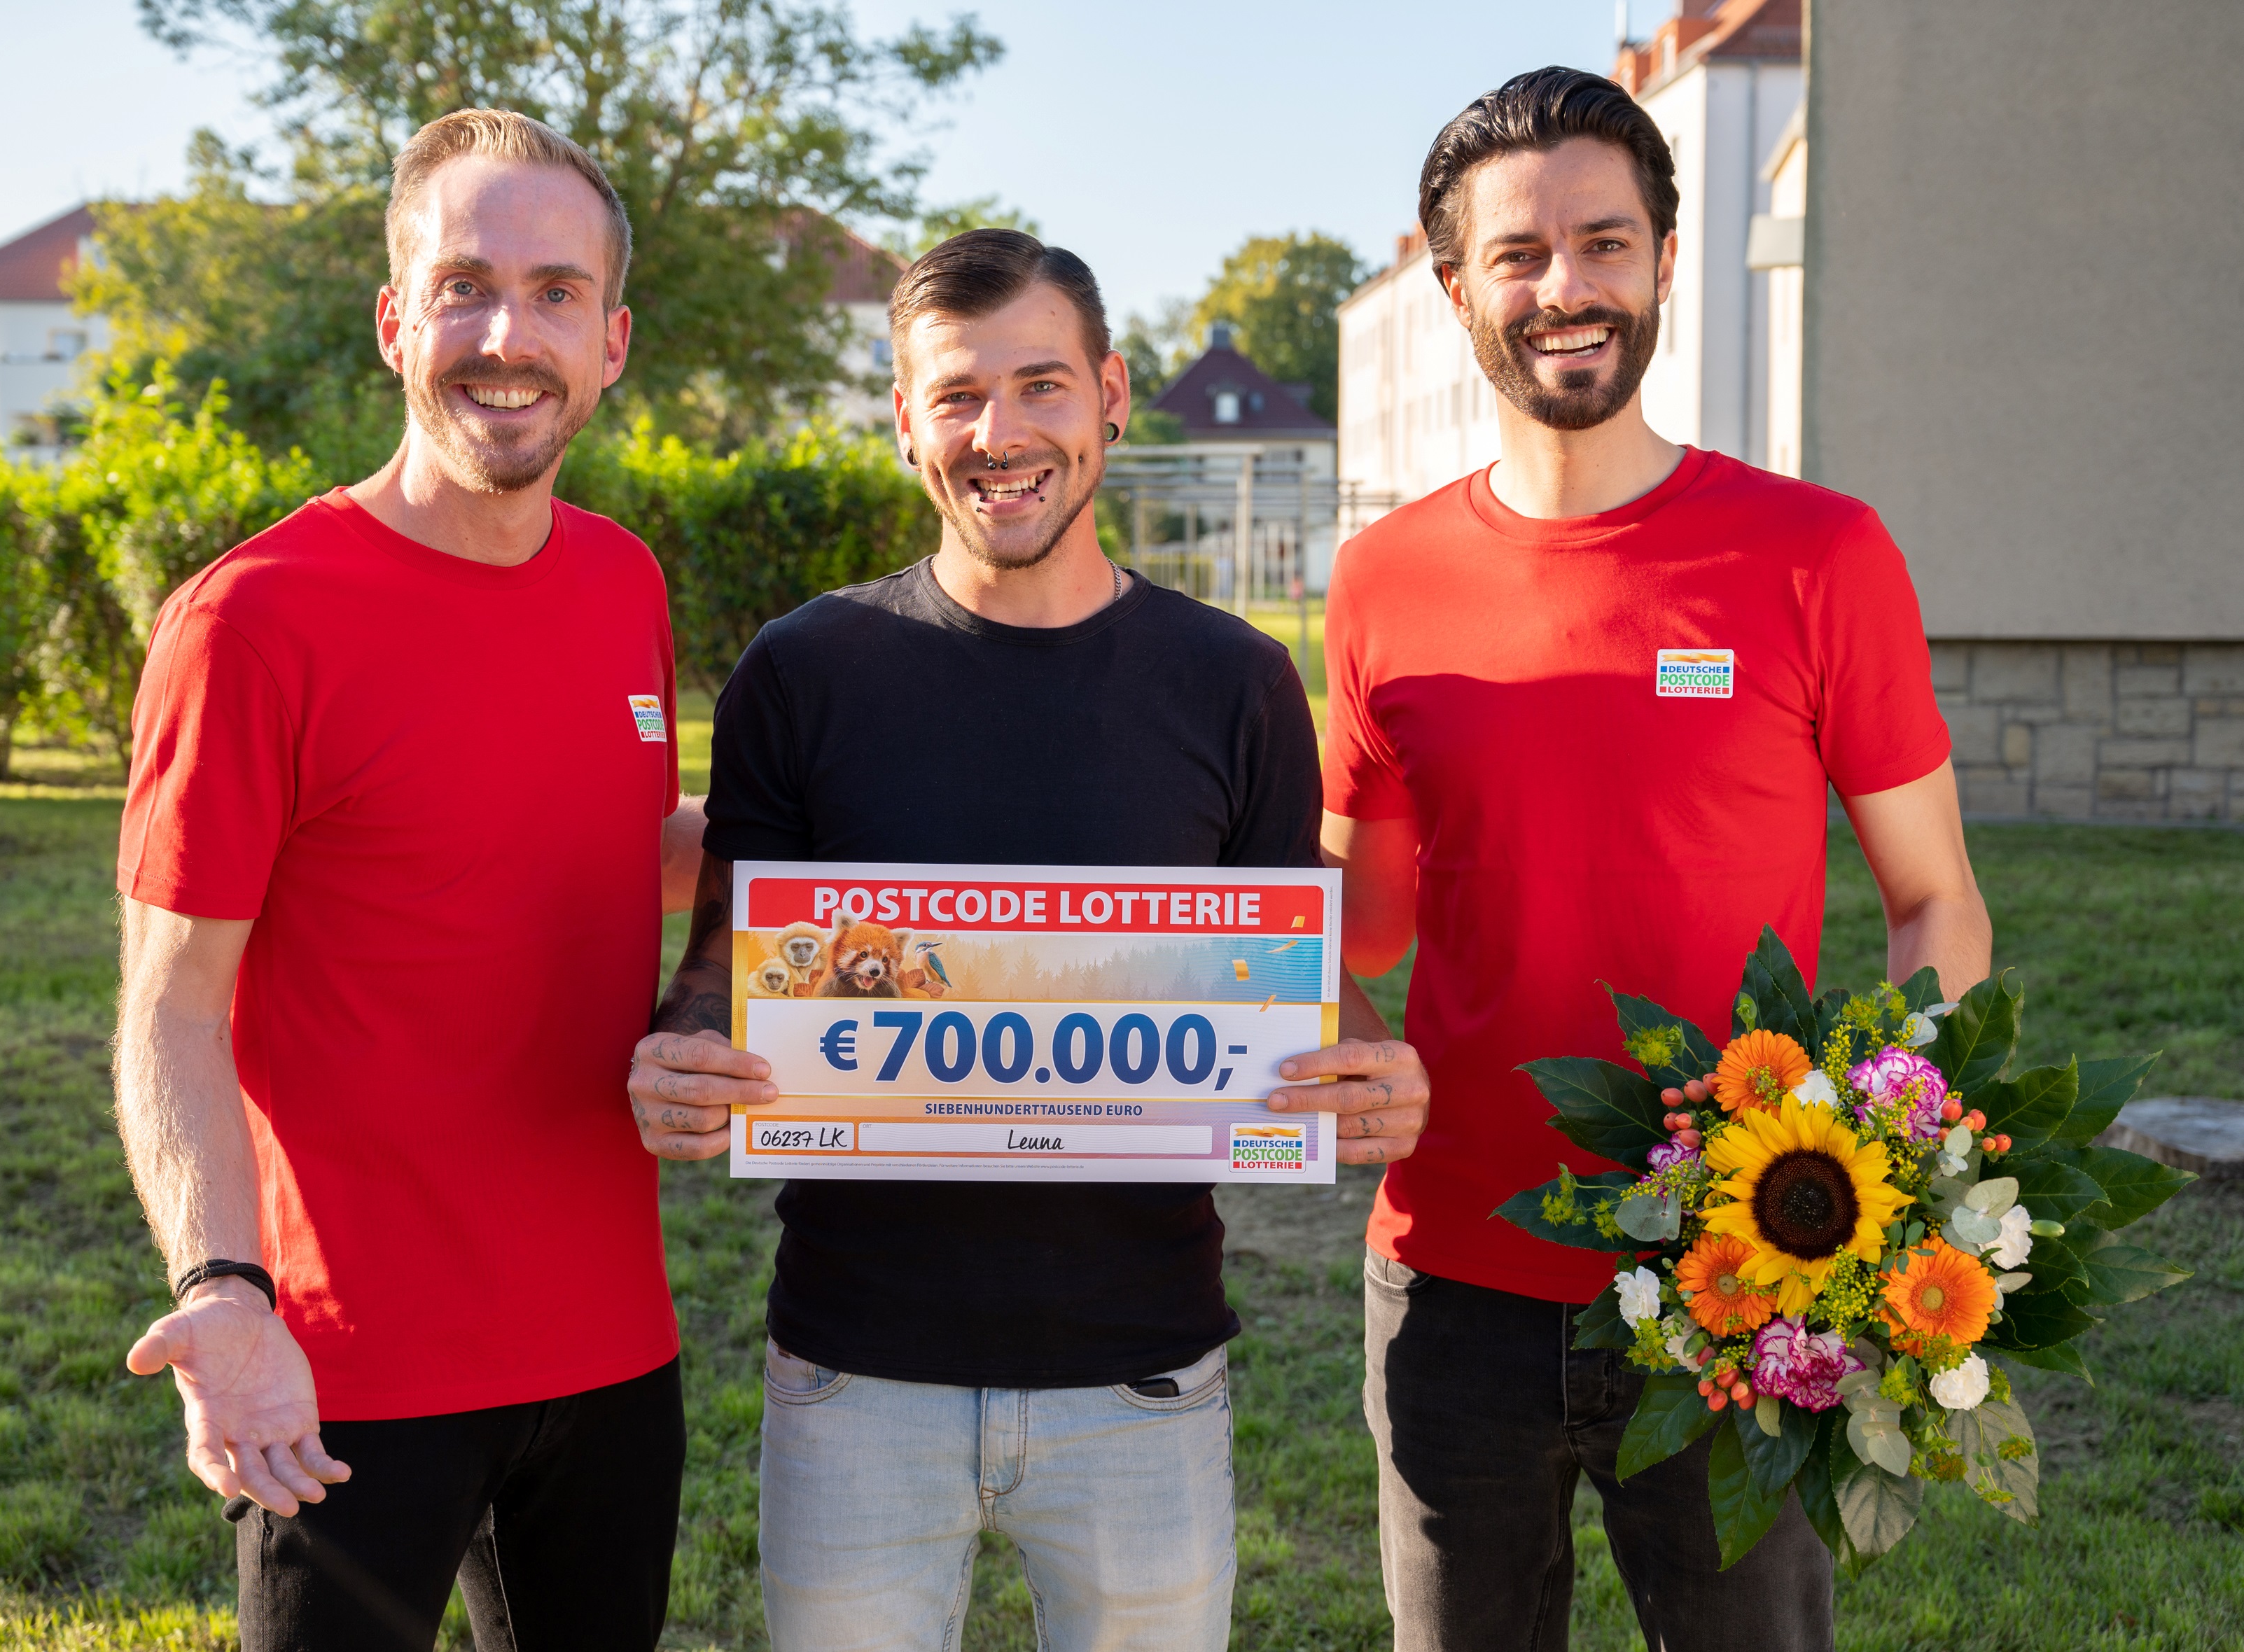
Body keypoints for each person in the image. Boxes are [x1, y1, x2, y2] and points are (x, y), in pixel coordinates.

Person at [621, 228, 1431, 1651]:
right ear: (904, 422)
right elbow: (719, 967)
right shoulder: (802, 672)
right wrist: (679, 1056)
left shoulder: (1235, 682)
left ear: (1109, 396)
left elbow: (1284, 983)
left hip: (1141, 1375)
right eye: (956, 394)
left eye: (1040, 384)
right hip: (854, 1372)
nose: (999, 433)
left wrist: (1378, 1072)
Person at [1323, 68, 1993, 1652]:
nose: (1564, 287)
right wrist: (1310, 1019)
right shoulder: (1382, 578)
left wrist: (1898, 1177)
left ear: (1666, 260)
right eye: (1517, 253)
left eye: (1604, 242)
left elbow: (1932, 899)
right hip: (1451, 1272)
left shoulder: (1818, 554)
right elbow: (1350, 936)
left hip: (1739, 1271)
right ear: (1454, 288)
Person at [113, 108, 705, 1652]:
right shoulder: (252, 620)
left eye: (556, 293)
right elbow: (170, 1006)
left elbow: (606, 849)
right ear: (395, 321)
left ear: (612, 339)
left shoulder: (624, 577)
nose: (508, 336)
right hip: (342, 1373)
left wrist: (876, 854)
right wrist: (224, 1292)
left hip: (611, 1350)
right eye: (465, 288)